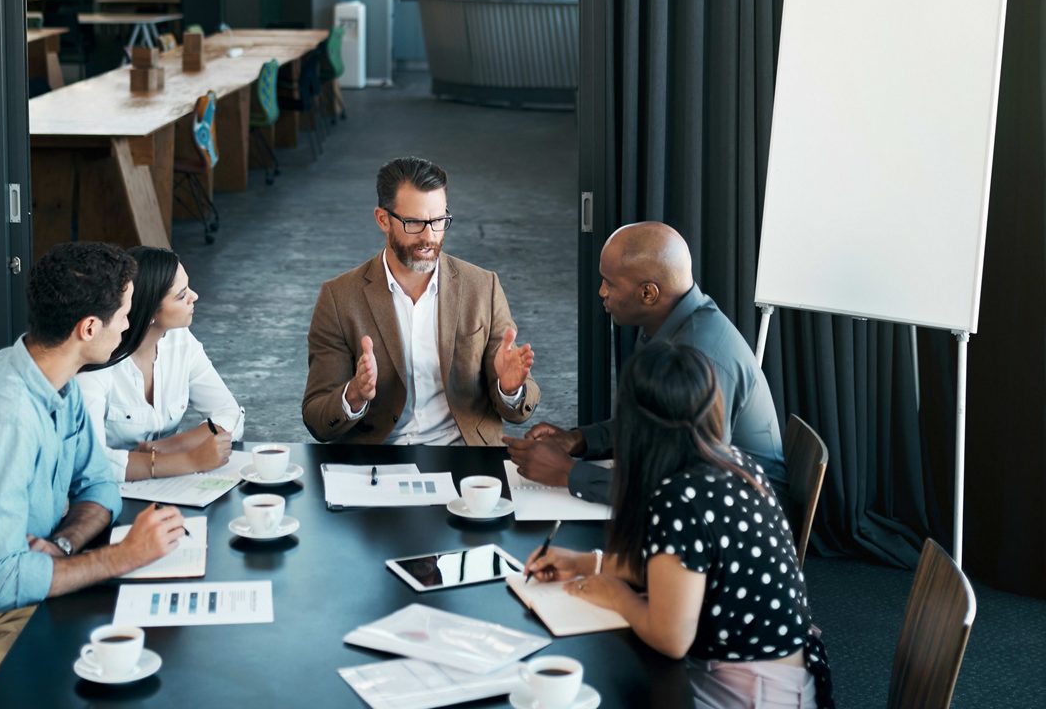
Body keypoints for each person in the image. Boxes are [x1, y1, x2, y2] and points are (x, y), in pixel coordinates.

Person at [0, 243, 188, 707]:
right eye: (125, 316)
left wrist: (65, 545)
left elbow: (99, 486)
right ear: (89, 327)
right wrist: (123, 557)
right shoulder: (6, 419)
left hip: (24, 606)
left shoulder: (56, 380)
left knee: (155, 662)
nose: (131, 327)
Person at [523, 343, 832, 708]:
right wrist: (587, 563)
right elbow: (686, 572)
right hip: (784, 677)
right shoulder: (733, 463)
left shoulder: (679, 498)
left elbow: (671, 638)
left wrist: (615, 593)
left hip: (751, 692)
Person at [504, 221, 788, 507]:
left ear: (648, 294)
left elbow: (682, 486)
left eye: (610, 283)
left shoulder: (700, 358)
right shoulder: (666, 321)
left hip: (744, 515)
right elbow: (652, 425)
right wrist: (578, 440)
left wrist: (568, 473)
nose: (602, 292)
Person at [303, 156, 540, 446]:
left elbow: (517, 411)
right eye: (414, 222)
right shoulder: (339, 298)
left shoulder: (483, 287)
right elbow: (317, 419)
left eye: (438, 220)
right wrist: (353, 395)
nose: (429, 236)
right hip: (379, 459)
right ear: (383, 219)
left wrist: (509, 388)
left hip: (463, 453)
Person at [78, 246, 241, 482]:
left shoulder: (180, 340)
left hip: (167, 486)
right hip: (104, 493)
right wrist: (190, 460)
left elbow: (229, 413)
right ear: (149, 311)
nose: (194, 296)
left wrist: (168, 445)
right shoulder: (98, 362)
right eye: (181, 295)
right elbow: (91, 463)